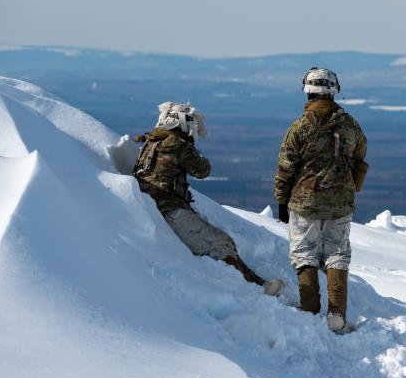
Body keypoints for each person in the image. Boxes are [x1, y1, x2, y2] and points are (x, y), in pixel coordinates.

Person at [133, 102, 284, 296]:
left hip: (153, 204)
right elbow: (203, 170)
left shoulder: (150, 142)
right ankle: (256, 287)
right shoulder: (178, 145)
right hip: (169, 208)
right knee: (221, 243)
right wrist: (190, 147)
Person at [274, 68, 368, 333]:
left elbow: (285, 167)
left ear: (307, 91)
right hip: (340, 202)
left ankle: (310, 312)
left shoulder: (299, 127)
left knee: (304, 254)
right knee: (337, 254)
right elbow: (360, 153)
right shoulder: (350, 125)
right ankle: (337, 315)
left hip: (304, 203)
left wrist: (282, 200)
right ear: (334, 90)